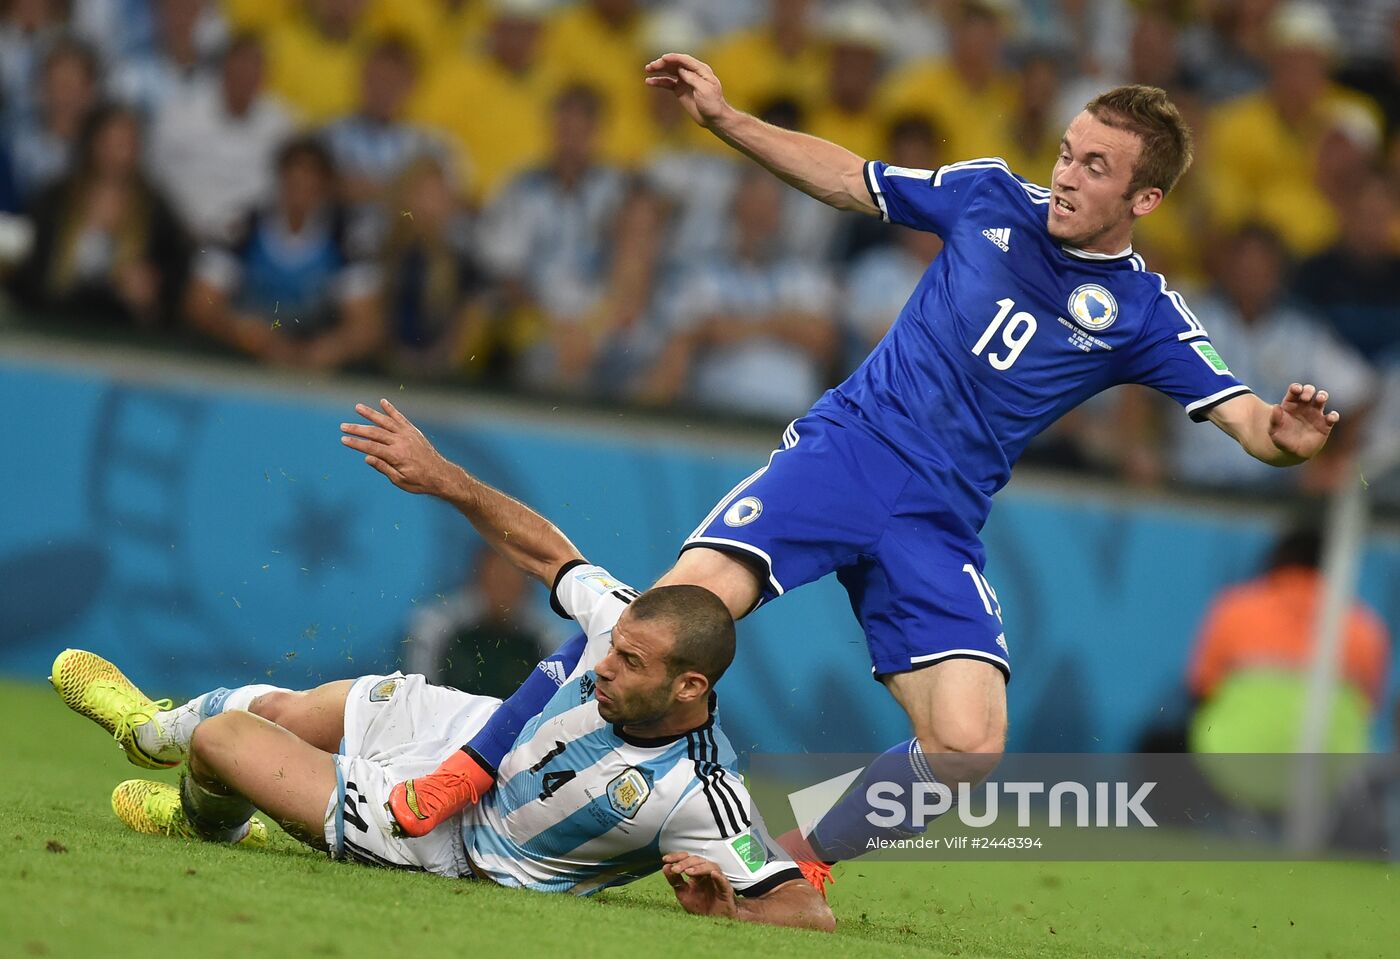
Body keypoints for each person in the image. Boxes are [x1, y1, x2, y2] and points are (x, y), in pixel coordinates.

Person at [391, 53, 1346, 891]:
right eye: (1065, 150)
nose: (1064, 176)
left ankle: (786, 859)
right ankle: (469, 769)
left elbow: (1251, 422)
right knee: (662, 619)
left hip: (938, 520)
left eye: (1095, 167)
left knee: (969, 744)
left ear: (1146, 200)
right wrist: (727, 120)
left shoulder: (1143, 312)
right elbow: (851, 179)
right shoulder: (986, 198)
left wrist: (1288, 433)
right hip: (845, 455)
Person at [50, 398, 833, 932]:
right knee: (282, 715)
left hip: (451, 842)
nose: (602, 666)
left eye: (629, 663)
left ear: (690, 686)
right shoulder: (617, 621)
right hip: (468, 730)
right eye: (613, 644)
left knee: (223, 739)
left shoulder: (705, 789)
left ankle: (205, 816)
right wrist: (443, 477)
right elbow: (550, 551)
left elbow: (808, 909)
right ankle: (150, 729)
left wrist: (730, 908)